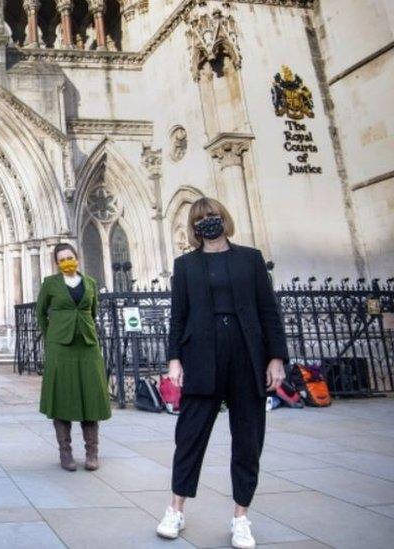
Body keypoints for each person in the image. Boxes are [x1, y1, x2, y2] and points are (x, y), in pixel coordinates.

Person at [156, 197, 287, 549]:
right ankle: (176, 508)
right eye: (200, 220)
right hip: (202, 356)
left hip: (247, 356)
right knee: (190, 436)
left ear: (223, 218)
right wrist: (174, 360)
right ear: (194, 228)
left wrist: (276, 357)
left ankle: (241, 517)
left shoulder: (250, 259)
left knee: (247, 440)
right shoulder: (186, 266)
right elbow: (178, 316)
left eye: (212, 216)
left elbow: (268, 310)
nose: (207, 222)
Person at [35, 243, 111, 472]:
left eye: (70, 257)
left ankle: (92, 453)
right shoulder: (50, 284)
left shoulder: (90, 283)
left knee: (90, 396)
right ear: (56, 263)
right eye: (62, 259)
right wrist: (51, 338)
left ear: (77, 258)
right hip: (60, 346)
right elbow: (40, 313)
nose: (67, 261)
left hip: (87, 345)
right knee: (62, 398)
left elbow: (93, 311)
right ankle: (65, 453)